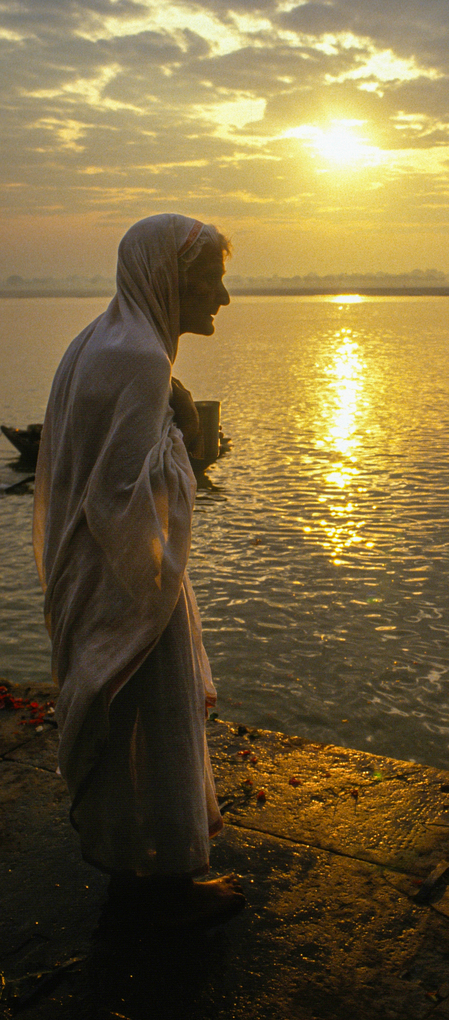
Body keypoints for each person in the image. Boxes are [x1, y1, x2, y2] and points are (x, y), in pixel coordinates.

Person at [33, 213, 243, 925]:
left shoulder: (98, 339)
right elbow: (119, 494)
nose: (222, 297)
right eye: (210, 279)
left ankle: (132, 866)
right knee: (154, 719)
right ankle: (168, 882)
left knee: (128, 722)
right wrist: (186, 433)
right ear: (168, 280)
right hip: (129, 580)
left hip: (99, 573)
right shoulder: (144, 360)